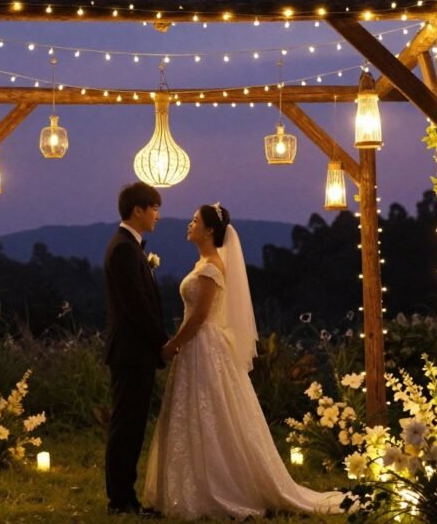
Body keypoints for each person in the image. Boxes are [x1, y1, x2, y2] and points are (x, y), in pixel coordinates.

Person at [143, 203, 344, 519]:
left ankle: (219, 486)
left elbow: (199, 317)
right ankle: (190, 483)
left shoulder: (211, 267)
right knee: (196, 411)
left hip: (203, 345)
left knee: (210, 412)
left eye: (195, 221)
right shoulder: (203, 263)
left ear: (209, 229)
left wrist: (172, 346)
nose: (189, 224)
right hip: (199, 347)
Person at [103, 182, 170, 516]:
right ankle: (121, 499)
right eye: (154, 207)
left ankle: (124, 496)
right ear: (137, 210)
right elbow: (136, 307)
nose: (158, 214)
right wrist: (164, 342)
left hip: (135, 353)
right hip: (131, 353)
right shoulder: (124, 250)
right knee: (126, 426)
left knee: (131, 424)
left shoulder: (130, 247)